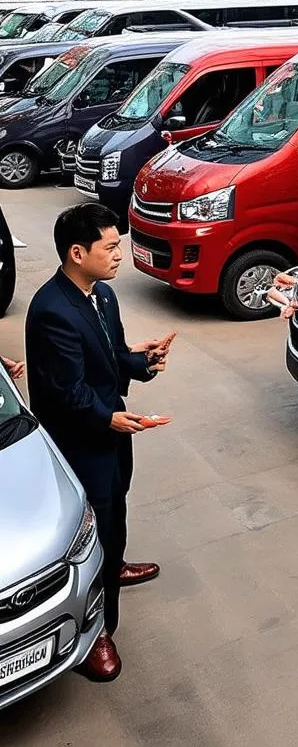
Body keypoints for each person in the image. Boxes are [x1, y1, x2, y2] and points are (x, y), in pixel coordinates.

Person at [26, 203, 175, 683]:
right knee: (91, 529)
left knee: (116, 511)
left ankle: (115, 564)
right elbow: (66, 393)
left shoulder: (102, 295)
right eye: (110, 247)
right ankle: (97, 632)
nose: (118, 255)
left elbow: (111, 356)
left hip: (113, 432)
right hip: (82, 443)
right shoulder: (52, 311)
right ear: (76, 253)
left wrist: (144, 362)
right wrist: (108, 418)